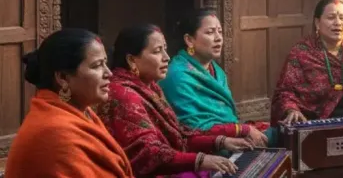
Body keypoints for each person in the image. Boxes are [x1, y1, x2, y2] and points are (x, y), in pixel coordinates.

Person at [99, 24, 252, 177]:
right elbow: (147, 154)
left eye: (165, 49)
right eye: (157, 51)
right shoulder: (123, 94)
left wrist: (221, 141)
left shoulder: (151, 87)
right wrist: (200, 160)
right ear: (132, 60)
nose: (166, 57)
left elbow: (179, 134)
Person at [5, 29, 133, 178]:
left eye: (105, 63)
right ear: (63, 77)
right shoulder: (54, 134)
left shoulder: (80, 112)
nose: (108, 73)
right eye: (97, 65)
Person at [159, 9, 273, 146]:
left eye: (219, 31)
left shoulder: (216, 70)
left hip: (233, 135)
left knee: (284, 133)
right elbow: (193, 127)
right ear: (189, 40)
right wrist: (241, 130)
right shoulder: (177, 76)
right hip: (205, 147)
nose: (218, 37)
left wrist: (241, 130)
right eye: (210, 32)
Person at [271, 0, 343, 124]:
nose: (338, 23)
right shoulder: (301, 52)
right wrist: (292, 110)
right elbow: (285, 92)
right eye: (331, 17)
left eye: (342, 18)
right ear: (317, 22)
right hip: (312, 122)